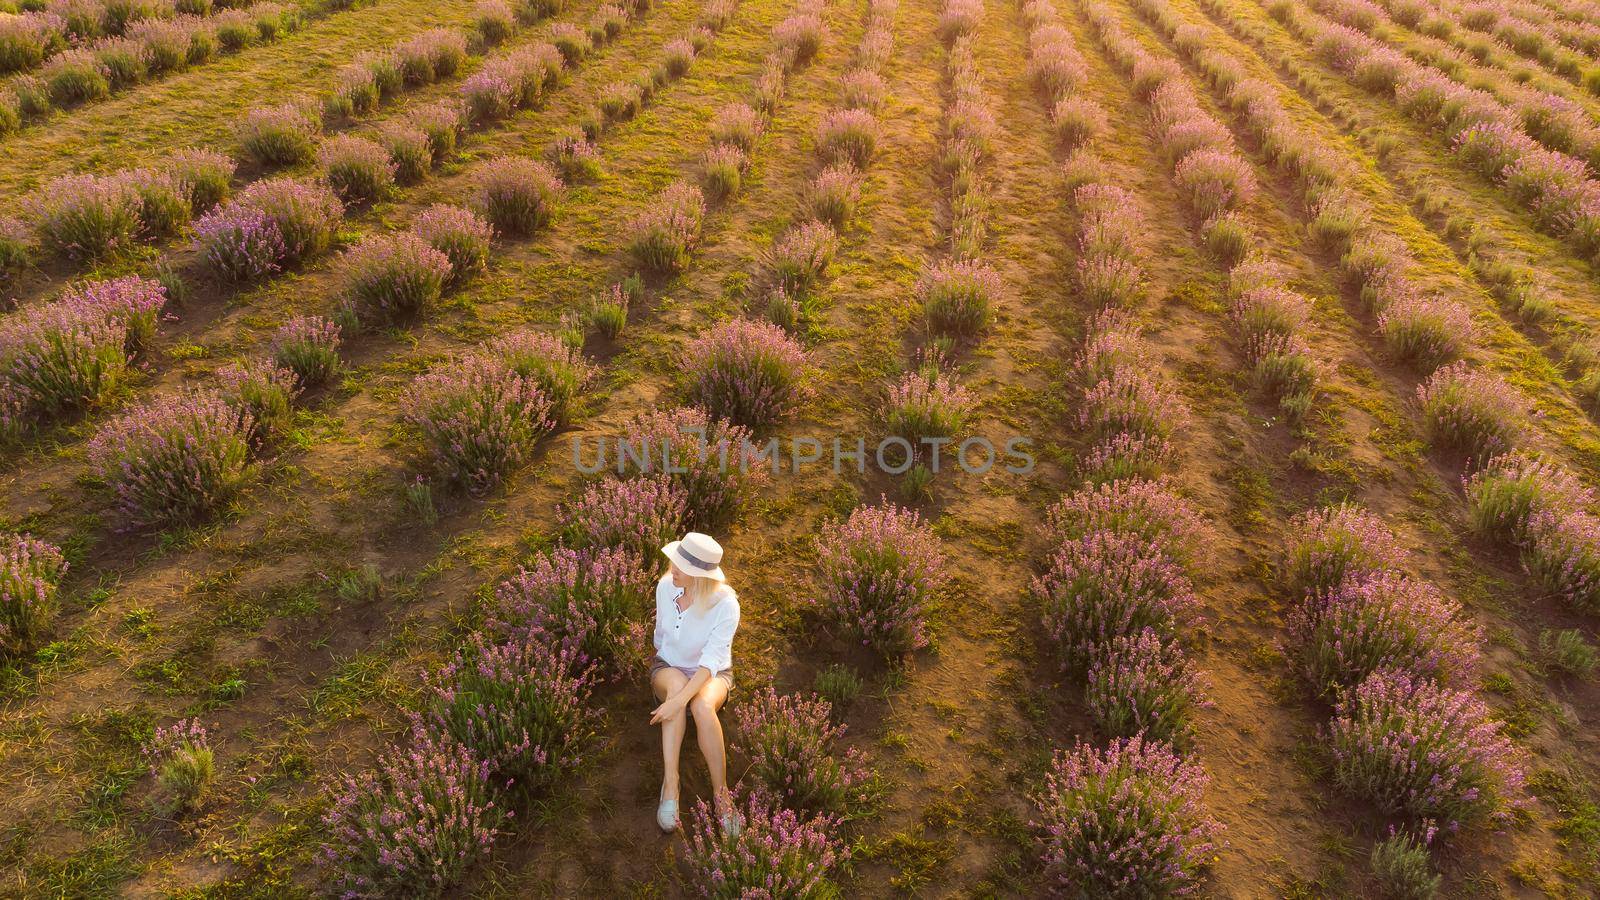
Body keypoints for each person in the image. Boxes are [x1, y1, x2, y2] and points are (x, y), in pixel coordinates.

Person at [650, 532, 741, 835]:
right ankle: (671, 784)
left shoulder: (726, 605)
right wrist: (676, 694)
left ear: (700, 575)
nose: (671, 567)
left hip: (712, 673)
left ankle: (722, 795)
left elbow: (711, 663)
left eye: (679, 564)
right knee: (676, 686)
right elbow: (660, 638)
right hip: (669, 667)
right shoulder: (666, 586)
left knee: (702, 706)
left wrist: (678, 703)